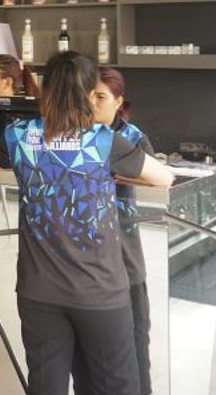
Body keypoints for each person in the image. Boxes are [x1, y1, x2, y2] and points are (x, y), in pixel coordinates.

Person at [0, 52, 173, 395]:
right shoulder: (104, 141)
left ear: (46, 90)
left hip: (38, 292)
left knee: (46, 385)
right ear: (90, 95)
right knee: (116, 385)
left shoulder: (18, 134)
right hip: (99, 292)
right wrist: (110, 172)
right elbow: (163, 177)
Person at [72, 67, 155, 395]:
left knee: (134, 347)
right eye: (87, 95)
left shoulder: (133, 138)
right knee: (86, 355)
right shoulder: (73, 135)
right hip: (82, 261)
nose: (92, 103)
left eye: (101, 97)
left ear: (119, 102)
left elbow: (155, 178)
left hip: (123, 258)